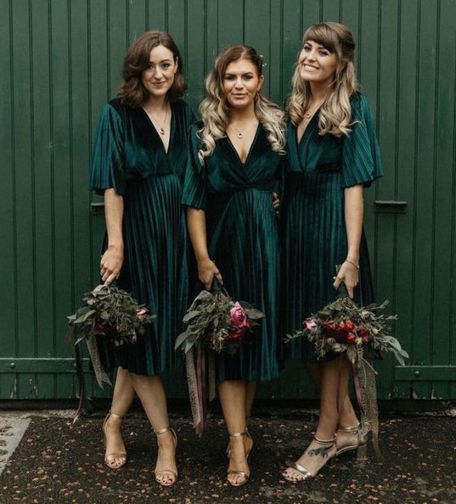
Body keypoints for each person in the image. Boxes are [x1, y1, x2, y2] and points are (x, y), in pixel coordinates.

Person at [89, 30, 196, 487]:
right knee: (138, 337)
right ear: (138, 69)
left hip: (176, 238)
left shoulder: (186, 114)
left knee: (147, 338)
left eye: (166, 64)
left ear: (176, 68)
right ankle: (164, 437)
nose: (158, 73)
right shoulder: (117, 115)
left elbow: (198, 177)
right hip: (135, 234)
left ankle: (113, 421)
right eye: (150, 65)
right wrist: (116, 244)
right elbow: (113, 182)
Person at [281, 22, 383, 482]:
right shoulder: (294, 107)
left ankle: (323, 438)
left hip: (331, 232)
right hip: (294, 232)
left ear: (341, 62)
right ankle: (346, 426)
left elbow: (354, 186)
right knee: (305, 336)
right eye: (307, 48)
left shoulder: (353, 108)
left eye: (323, 52)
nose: (311, 57)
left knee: (332, 339)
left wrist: (351, 255)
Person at [182, 45, 285, 486]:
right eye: (230, 78)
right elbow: (194, 201)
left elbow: (293, 187)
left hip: (265, 249)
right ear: (219, 82)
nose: (238, 85)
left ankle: (237, 435)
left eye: (246, 77)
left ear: (260, 80)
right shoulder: (205, 130)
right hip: (221, 250)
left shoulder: (278, 127)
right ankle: (237, 441)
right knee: (227, 342)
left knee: (255, 339)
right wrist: (203, 257)